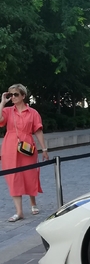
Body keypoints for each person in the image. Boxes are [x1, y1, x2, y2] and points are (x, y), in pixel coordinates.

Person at [0, 84, 49, 222]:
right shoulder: (8, 111)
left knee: (30, 174)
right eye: (10, 95)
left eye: (16, 94)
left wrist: (44, 149)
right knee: (13, 177)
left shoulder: (33, 112)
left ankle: (33, 202)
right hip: (10, 146)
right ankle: (19, 212)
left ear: (23, 96)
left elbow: (38, 131)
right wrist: (2, 103)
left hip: (27, 146)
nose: (13, 97)